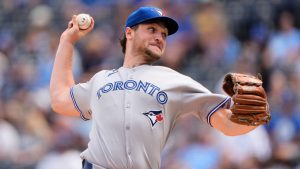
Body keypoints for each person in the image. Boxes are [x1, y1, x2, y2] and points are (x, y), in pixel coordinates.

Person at [50, 6, 266, 169]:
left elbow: (227, 124)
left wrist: (255, 118)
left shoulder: (173, 80)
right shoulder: (101, 79)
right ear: (129, 33)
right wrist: (67, 42)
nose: (159, 37)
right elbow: (60, 100)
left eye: (163, 34)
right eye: (152, 29)